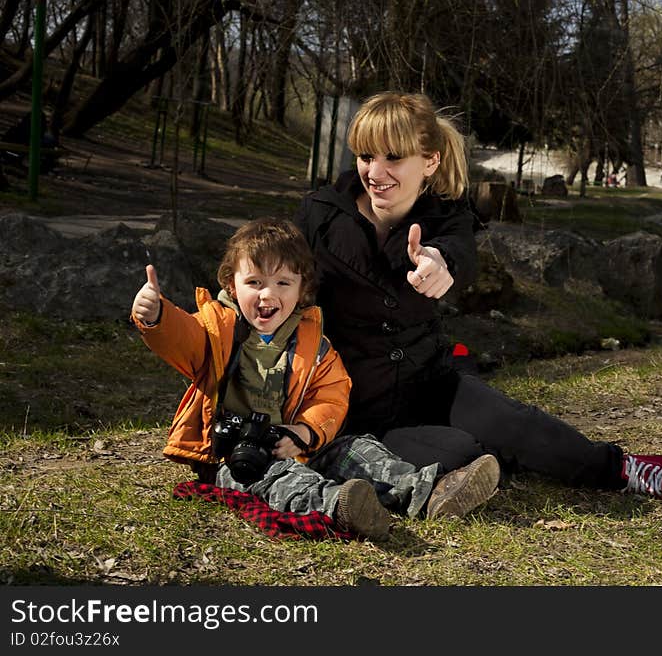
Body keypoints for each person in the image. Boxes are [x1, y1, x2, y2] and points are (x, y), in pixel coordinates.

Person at [293, 91, 662, 503]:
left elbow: (460, 255)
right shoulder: (320, 214)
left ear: (429, 161)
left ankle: (623, 469)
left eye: (393, 158)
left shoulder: (446, 216)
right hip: (342, 400)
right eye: (365, 156)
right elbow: (280, 278)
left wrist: (439, 262)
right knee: (464, 453)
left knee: (513, 423)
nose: (375, 172)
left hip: (426, 383)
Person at [131, 218, 501, 541]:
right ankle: (341, 507)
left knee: (358, 449)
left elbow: (333, 394)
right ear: (231, 283)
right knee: (280, 480)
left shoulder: (312, 341)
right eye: (254, 281)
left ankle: (427, 491)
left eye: (282, 283)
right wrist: (157, 316)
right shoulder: (216, 329)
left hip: (300, 442)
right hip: (236, 458)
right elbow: (182, 337)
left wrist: (305, 433)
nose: (267, 294)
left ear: (301, 288)